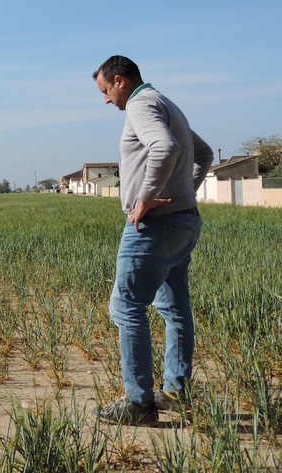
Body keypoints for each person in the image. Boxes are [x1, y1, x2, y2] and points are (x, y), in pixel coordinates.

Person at [92, 55, 214, 426]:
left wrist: (145, 199)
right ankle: (176, 391)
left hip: (154, 228)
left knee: (126, 307)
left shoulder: (142, 104)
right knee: (174, 307)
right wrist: (182, 194)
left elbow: (164, 148)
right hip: (182, 223)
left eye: (105, 91)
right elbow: (204, 154)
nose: (106, 100)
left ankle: (139, 403)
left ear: (120, 81)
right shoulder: (166, 103)